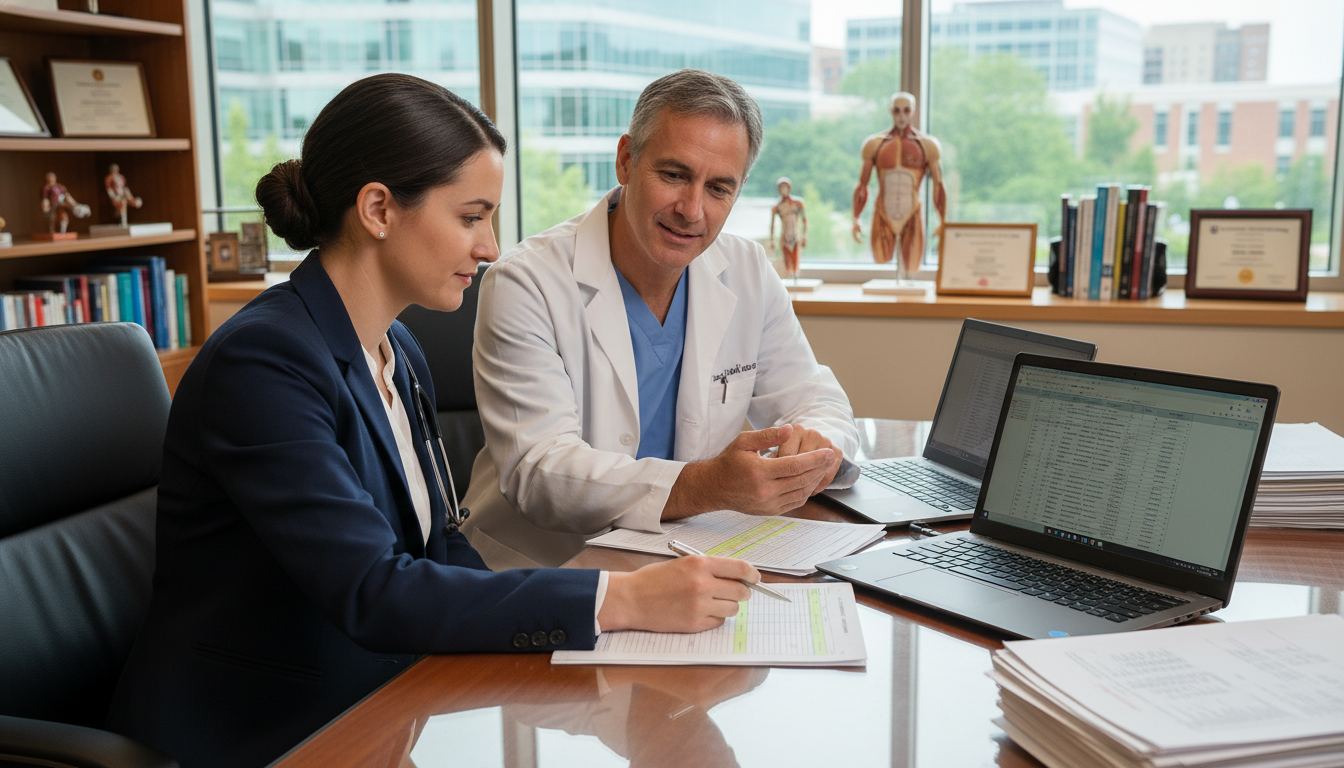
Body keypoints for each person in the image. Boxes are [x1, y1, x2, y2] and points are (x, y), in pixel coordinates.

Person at [106, 73, 760, 768]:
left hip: (383, 706)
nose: (489, 247)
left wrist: (586, 626)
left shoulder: (397, 347)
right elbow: (375, 590)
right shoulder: (264, 364)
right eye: (472, 216)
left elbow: (442, 550)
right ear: (380, 209)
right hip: (261, 733)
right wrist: (618, 600)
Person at [461, 69, 859, 570]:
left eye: (719, 188)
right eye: (674, 175)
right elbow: (540, 471)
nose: (692, 209)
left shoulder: (747, 270)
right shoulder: (526, 281)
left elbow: (816, 398)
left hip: (685, 559)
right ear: (626, 159)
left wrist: (815, 446)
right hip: (545, 572)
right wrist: (704, 484)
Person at [851, 92, 946, 277]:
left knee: (912, 268)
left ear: (913, 112)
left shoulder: (928, 145)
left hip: (912, 212)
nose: (901, 116)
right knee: (881, 260)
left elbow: (938, 185)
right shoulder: (874, 144)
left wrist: (943, 220)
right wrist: (856, 218)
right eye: (897, 111)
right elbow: (862, 185)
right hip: (883, 211)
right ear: (890, 112)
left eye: (906, 111)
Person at [769, 176, 807, 277]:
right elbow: (772, 225)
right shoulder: (777, 207)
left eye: (785, 187)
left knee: (795, 256)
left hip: (795, 234)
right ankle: (789, 275)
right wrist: (772, 240)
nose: (783, 190)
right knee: (786, 259)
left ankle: (795, 275)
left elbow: (804, 220)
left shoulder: (798, 203)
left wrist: (804, 236)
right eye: (781, 188)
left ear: (789, 188)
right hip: (784, 235)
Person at [104, 163, 143, 227]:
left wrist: (130, 196)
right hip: (116, 196)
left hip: (123, 194)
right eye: (113, 169)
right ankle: (123, 223)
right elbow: (109, 189)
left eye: (116, 169)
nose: (115, 170)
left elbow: (125, 188)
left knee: (136, 203)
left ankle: (135, 203)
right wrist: (113, 197)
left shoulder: (121, 177)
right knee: (122, 204)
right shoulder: (109, 178)